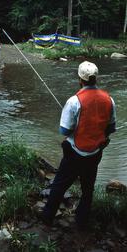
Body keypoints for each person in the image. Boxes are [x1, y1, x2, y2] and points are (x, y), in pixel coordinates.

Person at [40, 61, 116, 229]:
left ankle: (47, 218)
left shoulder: (74, 101)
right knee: (88, 188)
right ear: (96, 78)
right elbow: (111, 128)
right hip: (96, 152)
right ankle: (82, 220)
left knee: (59, 185)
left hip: (75, 153)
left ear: (79, 79)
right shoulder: (109, 99)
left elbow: (64, 131)